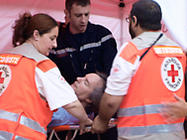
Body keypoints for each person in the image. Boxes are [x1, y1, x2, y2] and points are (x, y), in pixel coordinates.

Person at [91, 0, 186, 140]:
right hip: (174, 135)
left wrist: (102, 121)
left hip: (138, 136)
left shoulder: (131, 50)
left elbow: (111, 100)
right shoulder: (178, 51)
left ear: (134, 21)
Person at [0, 12, 92, 140]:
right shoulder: (42, 64)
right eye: (52, 38)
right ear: (36, 35)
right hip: (20, 135)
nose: (55, 44)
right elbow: (71, 103)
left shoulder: (2, 58)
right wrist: (84, 119)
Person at [49, 0, 118, 139]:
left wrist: (102, 114)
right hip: (69, 109)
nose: (83, 20)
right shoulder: (57, 41)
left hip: (101, 112)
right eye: (78, 15)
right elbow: (51, 78)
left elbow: (113, 77)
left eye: (87, 14)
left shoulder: (102, 36)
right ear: (67, 13)